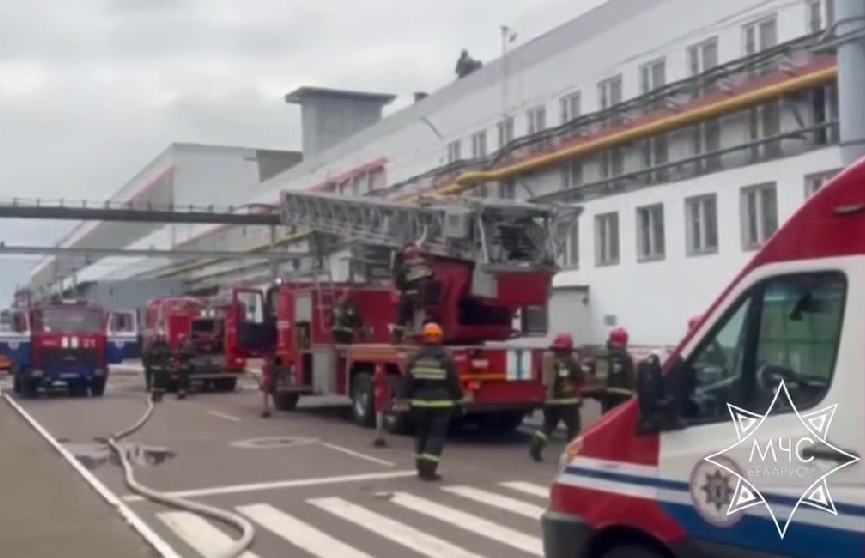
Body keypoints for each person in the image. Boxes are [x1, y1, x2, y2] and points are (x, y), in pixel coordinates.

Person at [404, 322, 462, 480]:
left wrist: (409, 398)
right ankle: (429, 470)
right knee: (436, 436)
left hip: (419, 402)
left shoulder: (415, 357)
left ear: (424, 337)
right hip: (441, 403)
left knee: (422, 434)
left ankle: (420, 468)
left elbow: (409, 381)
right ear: (440, 337)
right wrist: (458, 398)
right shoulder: (445, 357)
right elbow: (453, 381)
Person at [530, 333, 584, 462]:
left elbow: (544, 380)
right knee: (574, 430)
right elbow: (581, 378)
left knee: (548, 426)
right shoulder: (571, 362)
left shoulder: (549, 361)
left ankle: (536, 446)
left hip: (551, 401)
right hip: (568, 402)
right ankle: (573, 456)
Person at [392, 242, 433, 343]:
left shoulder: (405, 267)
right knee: (418, 317)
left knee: (402, 319)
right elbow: (430, 275)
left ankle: (397, 338)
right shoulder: (423, 265)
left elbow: (399, 283)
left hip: (408, 298)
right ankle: (418, 337)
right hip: (421, 297)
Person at [594, 327, 635, 414]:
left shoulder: (604, 355)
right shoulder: (626, 357)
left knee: (607, 418)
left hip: (607, 393)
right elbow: (631, 377)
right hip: (623, 395)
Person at [145, 333, 172, 397]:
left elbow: (169, 353)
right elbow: (150, 353)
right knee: (157, 379)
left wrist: (169, 360)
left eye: (163, 337)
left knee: (163, 379)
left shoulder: (166, 345)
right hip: (156, 365)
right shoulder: (154, 345)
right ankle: (155, 392)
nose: (162, 339)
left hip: (164, 365)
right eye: (161, 337)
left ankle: (161, 393)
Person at [174, 334, 195, 400]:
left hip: (187, 362)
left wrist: (180, 353)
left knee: (184, 377)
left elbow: (189, 352)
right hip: (182, 363)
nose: (179, 341)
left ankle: (184, 391)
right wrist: (178, 353)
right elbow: (176, 352)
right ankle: (183, 391)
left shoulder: (188, 344)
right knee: (182, 377)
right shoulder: (180, 344)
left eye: (180, 339)